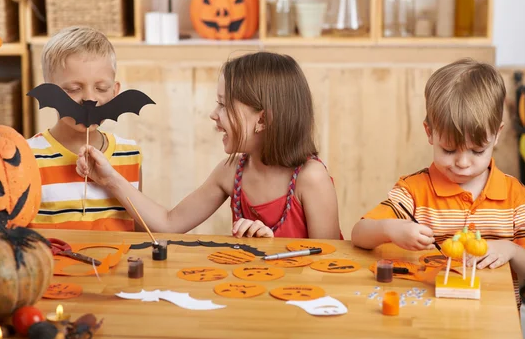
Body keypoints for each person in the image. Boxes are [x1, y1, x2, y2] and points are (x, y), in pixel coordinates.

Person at [76, 51, 341, 239]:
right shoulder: (232, 171)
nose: (214, 114)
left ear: (262, 119)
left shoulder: (311, 179)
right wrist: (110, 179)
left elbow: (330, 265)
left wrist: (273, 251)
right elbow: (169, 224)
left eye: (224, 104)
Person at [351, 58, 525, 306]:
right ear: (429, 133)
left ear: (496, 135)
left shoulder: (517, 197)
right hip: (429, 317)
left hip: (495, 322)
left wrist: (511, 250)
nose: (463, 163)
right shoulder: (414, 191)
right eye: (449, 150)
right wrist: (390, 229)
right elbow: (358, 235)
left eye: (477, 151)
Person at [27, 26, 142, 231]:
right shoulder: (28, 156)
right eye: (73, 89)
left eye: (101, 88)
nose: (89, 99)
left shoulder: (130, 153)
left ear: (115, 91)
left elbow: (142, 227)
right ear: (49, 92)